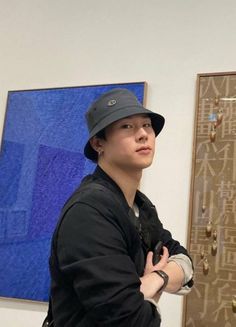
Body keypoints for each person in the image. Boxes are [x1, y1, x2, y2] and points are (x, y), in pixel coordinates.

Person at [48, 88, 194, 326]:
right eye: (127, 126)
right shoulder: (89, 212)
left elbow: (185, 264)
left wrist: (156, 278)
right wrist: (152, 296)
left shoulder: (141, 207)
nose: (143, 134)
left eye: (147, 125)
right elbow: (130, 319)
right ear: (98, 144)